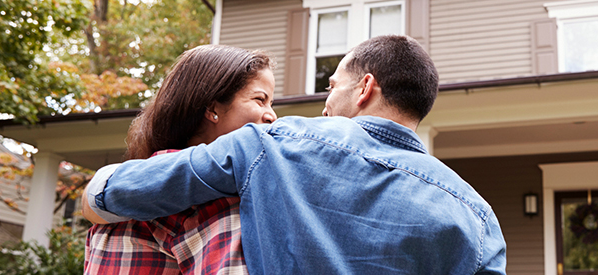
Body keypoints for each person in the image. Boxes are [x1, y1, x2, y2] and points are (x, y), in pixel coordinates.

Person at [83, 35, 506, 274]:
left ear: (364, 89)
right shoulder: (479, 216)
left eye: (332, 86)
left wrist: (96, 191)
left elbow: (132, 187)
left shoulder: (275, 144)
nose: (324, 103)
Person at [83, 45, 277, 274]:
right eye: (260, 100)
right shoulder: (209, 194)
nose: (272, 115)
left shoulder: (130, 181)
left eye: (271, 103)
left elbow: (92, 201)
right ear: (212, 108)